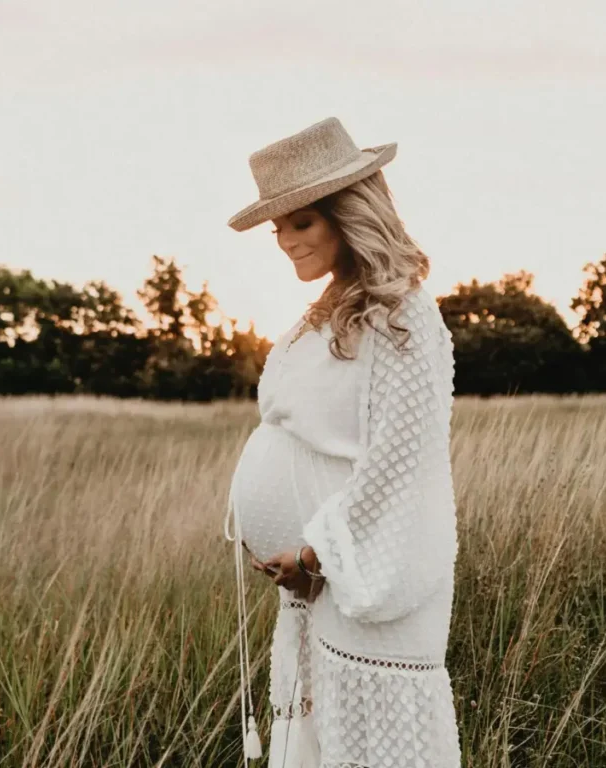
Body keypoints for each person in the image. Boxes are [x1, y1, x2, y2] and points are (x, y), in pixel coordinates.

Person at [223, 116, 461, 767]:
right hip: (313, 591)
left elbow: (399, 464)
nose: (284, 241)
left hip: (363, 583)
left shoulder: (404, 313)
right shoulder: (324, 309)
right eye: (279, 226)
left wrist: (315, 552)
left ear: (349, 213)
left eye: (301, 222)